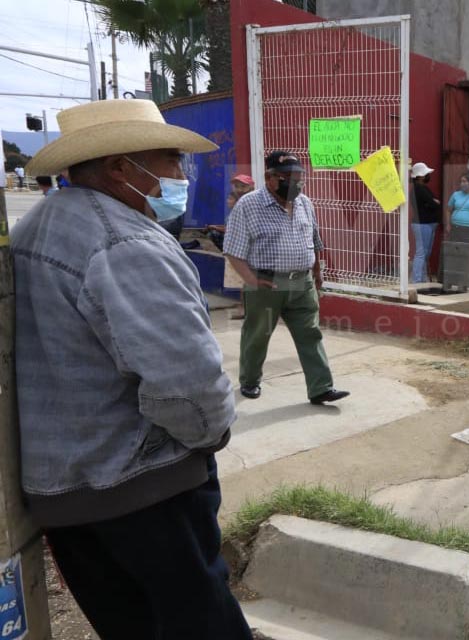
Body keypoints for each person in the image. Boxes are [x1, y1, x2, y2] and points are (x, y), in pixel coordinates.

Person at [14, 99, 253, 639]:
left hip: (65, 494)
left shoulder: (38, 228)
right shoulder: (127, 243)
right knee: (201, 624)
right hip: (143, 487)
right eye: (170, 159)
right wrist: (211, 436)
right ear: (122, 167)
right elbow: (188, 387)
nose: (181, 175)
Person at [224, 151, 349, 405]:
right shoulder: (248, 206)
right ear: (269, 178)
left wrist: (316, 272)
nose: (295, 182)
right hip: (266, 283)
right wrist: (251, 280)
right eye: (287, 177)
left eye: (299, 176)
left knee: (310, 333)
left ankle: (321, 388)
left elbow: (313, 239)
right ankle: (249, 381)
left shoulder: (304, 202)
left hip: (302, 283)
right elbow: (233, 249)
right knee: (257, 335)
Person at [222, 174, 255, 320]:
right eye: (237, 186)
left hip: (250, 247)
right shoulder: (237, 205)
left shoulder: (253, 203)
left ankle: (247, 308)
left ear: (251, 187)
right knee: (243, 279)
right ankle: (244, 307)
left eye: (243, 186)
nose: (240, 189)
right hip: (237, 248)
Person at [410, 162, 442, 283]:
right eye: (426, 173)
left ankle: (421, 278)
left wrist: (434, 202)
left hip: (426, 223)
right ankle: (417, 279)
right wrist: (434, 202)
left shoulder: (420, 188)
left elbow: (432, 202)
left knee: (424, 253)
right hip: (423, 224)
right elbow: (433, 203)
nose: (428, 175)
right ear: (421, 176)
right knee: (421, 253)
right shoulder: (420, 189)